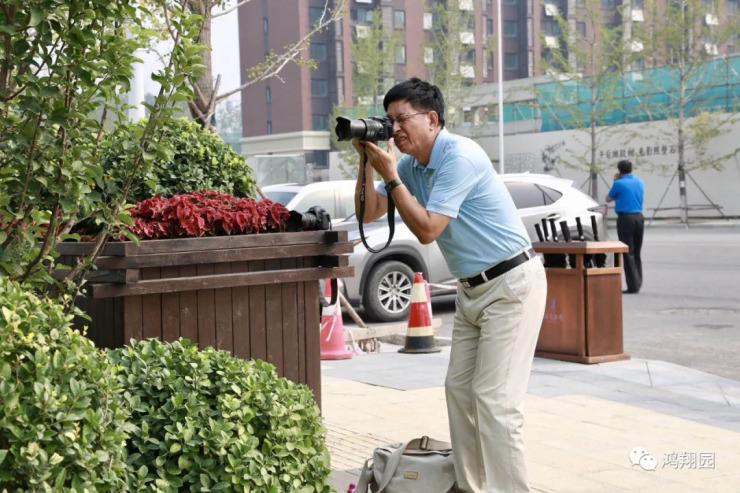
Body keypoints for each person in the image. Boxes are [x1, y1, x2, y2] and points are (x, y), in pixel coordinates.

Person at [352, 78, 547, 493]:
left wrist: (391, 174)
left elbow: (427, 230)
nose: (395, 129)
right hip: (471, 290)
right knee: (459, 392)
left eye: (402, 119)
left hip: (510, 284)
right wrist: (370, 164)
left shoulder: (460, 156)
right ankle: (474, 488)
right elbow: (369, 213)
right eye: (389, 122)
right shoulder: (409, 166)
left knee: (496, 403)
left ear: (432, 118)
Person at [606, 159, 645, 294]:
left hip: (625, 219)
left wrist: (616, 181)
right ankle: (638, 281)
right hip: (639, 217)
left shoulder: (618, 184)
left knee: (628, 252)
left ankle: (633, 286)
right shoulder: (639, 182)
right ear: (631, 169)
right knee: (637, 251)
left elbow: (608, 198)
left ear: (619, 170)